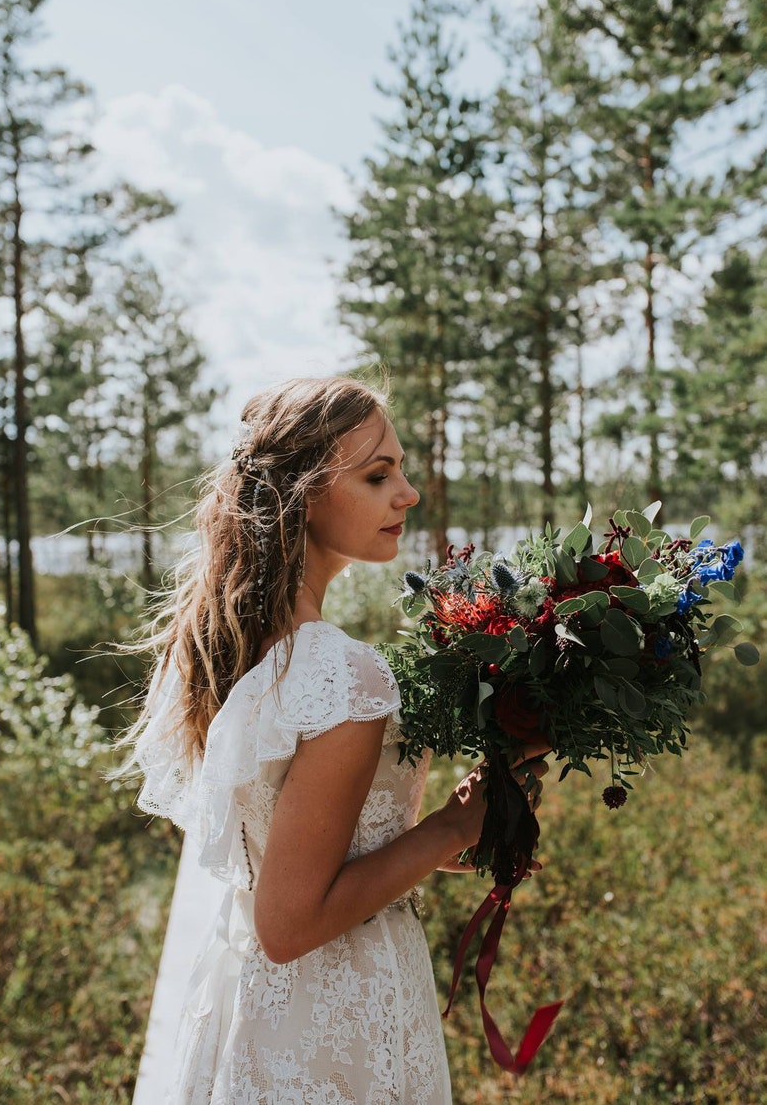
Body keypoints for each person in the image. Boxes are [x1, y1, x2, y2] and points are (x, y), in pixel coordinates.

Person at [125, 375, 547, 1104]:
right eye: (379, 474)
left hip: (257, 1003)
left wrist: (465, 827)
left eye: (402, 470)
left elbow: (304, 857)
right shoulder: (340, 674)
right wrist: (452, 824)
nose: (408, 493)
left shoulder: (248, 646)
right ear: (303, 494)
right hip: (333, 1016)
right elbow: (290, 922)